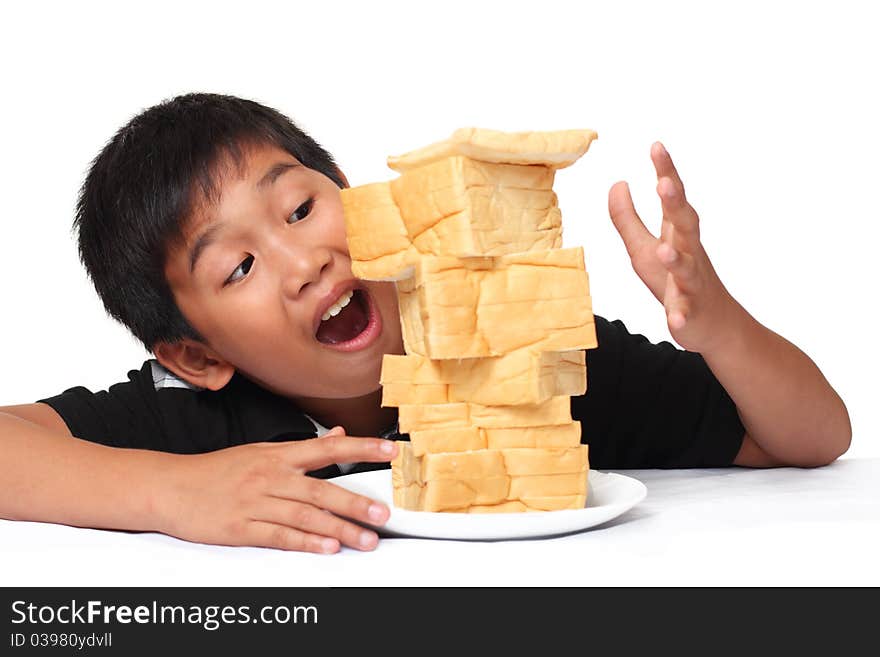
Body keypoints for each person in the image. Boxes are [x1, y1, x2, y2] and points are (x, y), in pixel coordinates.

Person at [0, 93, 851, 554]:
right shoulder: (202, 422)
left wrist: (718, 325)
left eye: (300, 207)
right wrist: (170, 493)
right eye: (241, 267)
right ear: (194, 353)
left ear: (353, 195)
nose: (305, 265)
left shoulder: (524, 343)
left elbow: (812, 436)